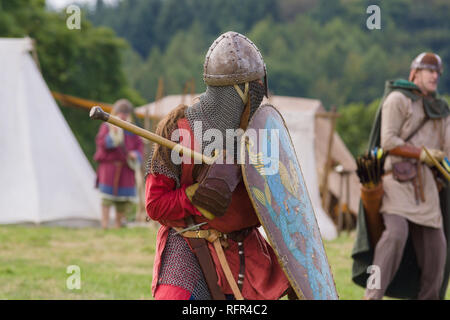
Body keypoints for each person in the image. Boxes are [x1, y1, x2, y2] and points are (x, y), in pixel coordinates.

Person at [145, 31, 291, 300]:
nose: (259, 97)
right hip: (192, 246)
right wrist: (193, 196)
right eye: (255, 88)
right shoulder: (180, 130)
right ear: (242, 90)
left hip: (246, 252)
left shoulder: (261, 137)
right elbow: (154, 205)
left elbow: (283, 205)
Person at [352, 52, 450, 299]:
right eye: (430, 70)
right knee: (395, 234)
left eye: (438, 71)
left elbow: (447, 152)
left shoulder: (441, 110)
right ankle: (372, 296)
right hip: (395, 181)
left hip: (427, 190)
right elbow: (388, 140)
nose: (435, 75)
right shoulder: (398, 99)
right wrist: (422, 154)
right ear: (415, 72)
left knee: (437, 251)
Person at [94, 99, 143, 229]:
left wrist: (135, 155)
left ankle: (117, 225)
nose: (123, 115)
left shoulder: (132, 128)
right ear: (116, 112)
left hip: (126, 167)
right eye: (121, 112)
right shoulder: (107, 126)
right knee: (106, 199)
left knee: (122, 201)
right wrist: (114, 134)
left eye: (125, 113)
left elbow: (139, 146)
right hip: (109, 167)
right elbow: (102, 144)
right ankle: (104, 225)